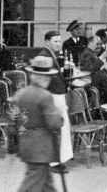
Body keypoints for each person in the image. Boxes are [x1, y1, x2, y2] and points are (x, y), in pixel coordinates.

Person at [12, 56, 64, 192]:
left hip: (26, 144)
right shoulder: (45, 96)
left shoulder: (20, 94)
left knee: (47, 185)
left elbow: (14, 121)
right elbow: (54, 124)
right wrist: (59, 115)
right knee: (31, 185)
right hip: (41, 148)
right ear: (45, 78)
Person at [38, 30, 73, 166]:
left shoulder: (51, 54)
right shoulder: (44, 56)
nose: (59, 44)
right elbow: (41, 82)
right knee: (57, 128)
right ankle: (54, 161)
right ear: (47, 42)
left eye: (60, 41)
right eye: (55, 41)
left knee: (62, 127)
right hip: (52, 97)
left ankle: (59, 158)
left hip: (57, 95)